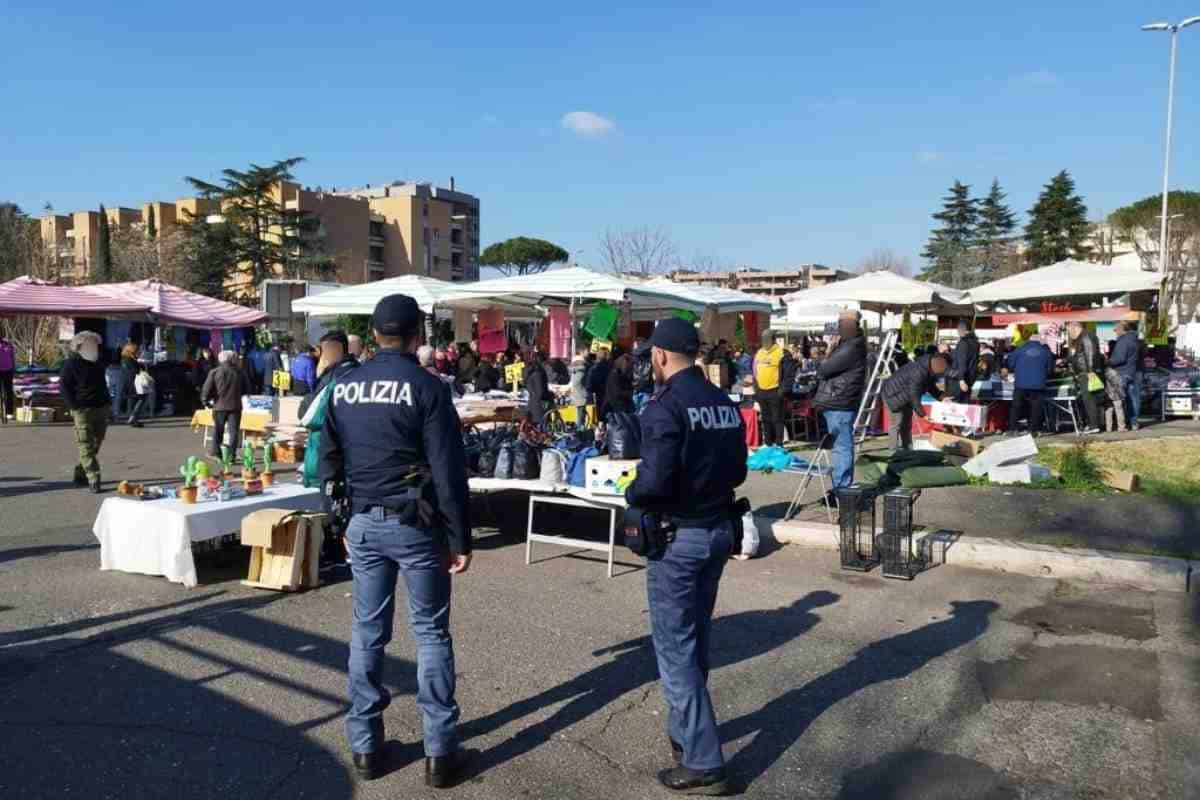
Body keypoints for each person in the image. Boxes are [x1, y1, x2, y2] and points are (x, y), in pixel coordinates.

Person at [318, 293, 471, 789]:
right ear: (415, 336)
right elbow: (448, 471)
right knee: (429, 632)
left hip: (362, 520)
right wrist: (460, 536)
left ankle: (364, 745)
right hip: (415, 524)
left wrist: (338, 521)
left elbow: (327, 458)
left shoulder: (344, 385)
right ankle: (440, 753)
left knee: (367, 630)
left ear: (375, 333)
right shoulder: (427, 387)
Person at [623, 318, 747, 795]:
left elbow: (652, 483)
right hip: (717, 530)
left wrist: (632, 490)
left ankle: (702, 761)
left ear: (659, 357)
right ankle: (686, 734)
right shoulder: (723, 402)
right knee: (695, 640)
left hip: (679, 539)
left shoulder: (664, 407)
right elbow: (737, 468)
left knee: (676, 650)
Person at [812, 313, 867, 504]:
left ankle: (843, 492)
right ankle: (840, 489)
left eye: (842, 324)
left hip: (840, 403)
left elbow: (824, 369)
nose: (839, 328)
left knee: (842, 448)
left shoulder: (851, 346)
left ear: (851, 325)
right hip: (839, 402)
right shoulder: (850, 344)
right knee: (839, 447)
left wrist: (829, 350)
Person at [60, 331, 111, 493]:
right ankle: (93, 477)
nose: (94, 348)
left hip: (101, 407)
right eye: (90, 344)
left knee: (96, 443)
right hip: (82, 409)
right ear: (79, 346)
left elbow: (103, 384)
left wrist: (108, 403)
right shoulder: (71, 363)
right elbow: (64, 386)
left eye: (95, 344)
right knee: (85, 444)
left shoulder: (97, 362)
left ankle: (80, 472)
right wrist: (74, 406)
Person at [881, 353, 948, 451]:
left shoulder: (928, 369)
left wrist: (942, 397)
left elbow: (931, 387)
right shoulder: (918, 371)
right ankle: (893, 451)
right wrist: (923, 414)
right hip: (893, 395)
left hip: (905, 397)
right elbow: (914, 395)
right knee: (896, 424)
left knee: (907, 424)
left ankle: (908, 449)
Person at [1003, 334, 1054, 435]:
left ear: (1029, 340)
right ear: (1040, 341)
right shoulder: (1046, 352)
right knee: (1036, 407)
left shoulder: (1019, 350)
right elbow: (1050, 370)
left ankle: (1013, 429)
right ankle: (1033, 430)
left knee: (1016, 406)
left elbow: (1010, 364)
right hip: (1038, 384)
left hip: (1021, 383)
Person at [202, 350, 249, 457]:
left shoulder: (215, 372)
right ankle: (232, 455)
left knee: (218, 430)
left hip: (219, 405)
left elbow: (206, 389)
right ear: (232, 359)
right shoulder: (240, 372)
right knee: (234, 432)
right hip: (235, 405)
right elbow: (247, 389)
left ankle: (216, 452)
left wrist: (206, 401)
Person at [1066, 321, 1103, 434]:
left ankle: (1094, 425)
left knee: (1089, 399)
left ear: (1075, 327)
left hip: (1087, 373)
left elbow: (1090, 354)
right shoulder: (1083, 337)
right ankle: (1092, 424)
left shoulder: (1086, 336)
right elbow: (1080, 356)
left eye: (1069, 330)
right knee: (1088, 399)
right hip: (1085, 373)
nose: (1069, 334)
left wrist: (1090, 371)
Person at [753, 336, 788, 446]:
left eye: (767, 339)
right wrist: (756, 388)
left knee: (777, 419)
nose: (765, 342)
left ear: (773, 340)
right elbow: (755, 371)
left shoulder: (782, 353)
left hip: (775, 390)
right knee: (765, 419)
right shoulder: (759, 352)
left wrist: (782, 390)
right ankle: (768, 444)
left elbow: (788, 373)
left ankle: (778, 444)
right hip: (762, 391)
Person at [1107, 321, 1142, 431]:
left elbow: (1120, 358)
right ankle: (1134, 422)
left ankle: (1122, 424)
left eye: (1116, 329)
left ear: (1123, 329)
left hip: (1122, 372)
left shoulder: (1123, 341)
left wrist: (1108, 361)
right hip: (1134, 372)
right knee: (1134, 398)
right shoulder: (1135, 340)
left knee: (1120, 400)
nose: (1114, 331)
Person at [947, 321, 979, 404]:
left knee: (954, 407)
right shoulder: (976, 343)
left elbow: (962, 362)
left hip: (959, 380)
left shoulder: (963, 343)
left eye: (958, 330)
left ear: (961, 330)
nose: (957, 332)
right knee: (965, 406)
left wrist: (961, 380)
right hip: (970, 379)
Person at [523, 350, 551, 427]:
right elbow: (540, 392)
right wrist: (550, 395)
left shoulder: (528, 371)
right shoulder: (538, 373)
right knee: (542, 432)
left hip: (532, 405)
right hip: (540, 407)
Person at [604, 353, 636, 417]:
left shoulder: (620, 374)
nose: (631, 367)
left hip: (619, 407)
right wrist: (631, 393)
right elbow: (617, 392)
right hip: (617, 408)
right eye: (630, 365)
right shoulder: (615, 375)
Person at [587, 347, 613, 421]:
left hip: (599, 397)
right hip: (611, 398)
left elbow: (589, 385)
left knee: (600, 420)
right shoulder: (612, 367)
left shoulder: (594, 368)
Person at [127, 364, 154, 428]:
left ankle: (133, 418)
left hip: (137, 389)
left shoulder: (136, 373)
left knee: (138, 403)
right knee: (140, 403)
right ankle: (133, 418)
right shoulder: (144, 373)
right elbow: (151, 380)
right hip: (143, 391)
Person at [569, 345, 590, 427]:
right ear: (581, 352)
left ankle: (580, 431)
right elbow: (576, 381)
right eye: (586, 351)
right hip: (580, 394)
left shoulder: (576, 365)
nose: (588, 353)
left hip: (577, 394)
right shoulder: (582, 366)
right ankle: (580, 434)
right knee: (580, 418)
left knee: (581, 415)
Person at [118, 343, 139, 422]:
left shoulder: (124, 359)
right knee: (134, 399)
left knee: (130, 399)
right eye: (135, 350)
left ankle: (129, 414)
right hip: (132, 380)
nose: (137, 352)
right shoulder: (130, 359)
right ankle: (132, 416)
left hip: (127, 380)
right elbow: (135, 370)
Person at [0, 334, 15, 421]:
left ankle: (9, 412)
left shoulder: (8, 345)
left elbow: (12, 357)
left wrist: (14, 368)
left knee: (9, 391)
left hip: (8, 370)